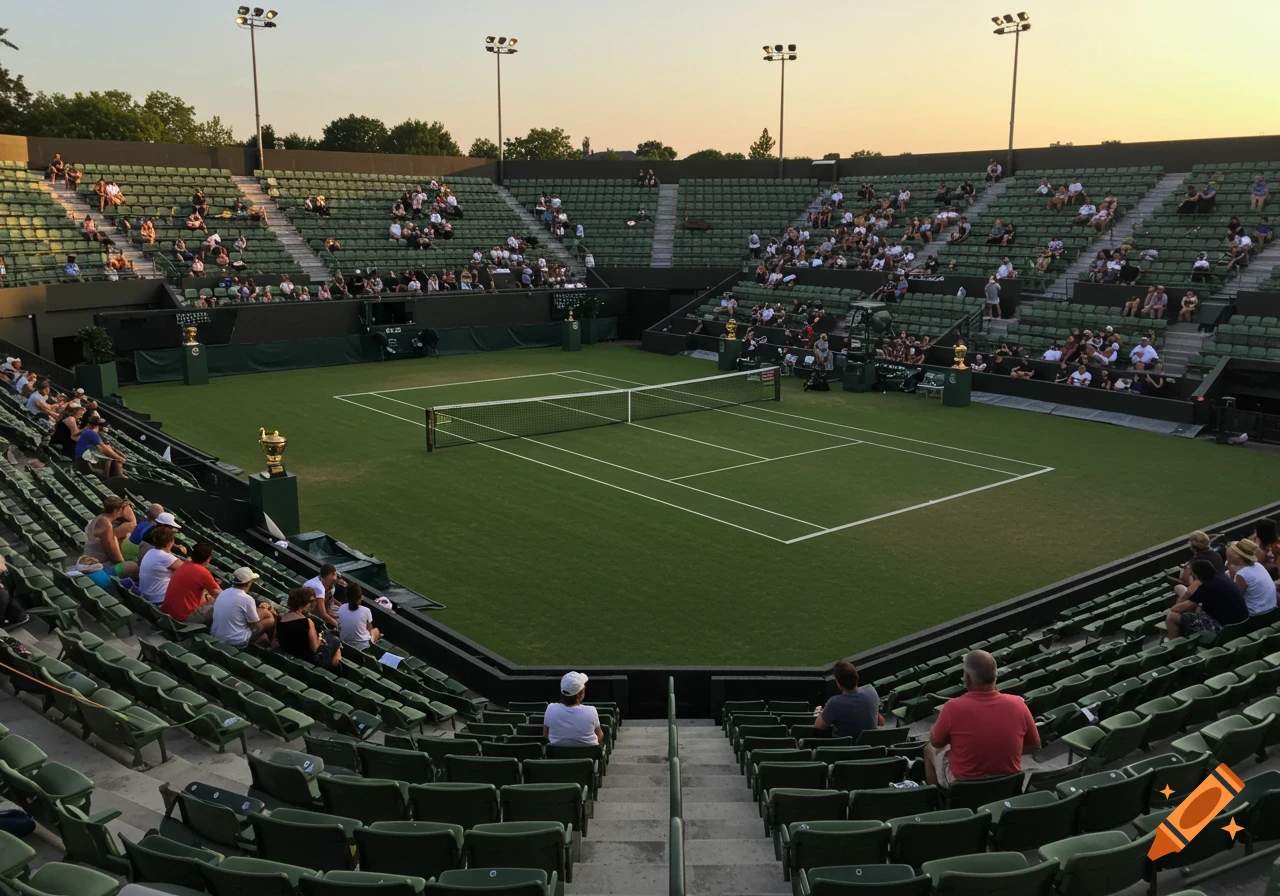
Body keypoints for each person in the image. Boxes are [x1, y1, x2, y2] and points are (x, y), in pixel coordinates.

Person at [924, 651, 1039, 789]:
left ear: (966, 678)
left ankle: (938, 800)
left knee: (928, 749)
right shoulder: (1018, 704)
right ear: (995, 677)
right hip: (1007, 781)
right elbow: (1034, 745)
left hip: (965, 785)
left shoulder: (952, 707)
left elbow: (936, 742)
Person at [1166, 559, 1249, 638]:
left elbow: (1183, 607)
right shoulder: (1222, 576)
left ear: (1197, 575)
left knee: (1172, 616)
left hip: (1225, 628)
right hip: (1243, 622)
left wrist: (1172, 609)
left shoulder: (1206, 586)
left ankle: (1174, 648)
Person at [813, 660, 883, 739]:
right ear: (856, 677)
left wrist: (821, 713)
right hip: (871, 745)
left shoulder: (834, 703)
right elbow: (879, 720)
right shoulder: (871, 690)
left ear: (838, 683)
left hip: (845, 747)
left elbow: (818, 726)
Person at [277, 587, 343, 669]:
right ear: (305, 603)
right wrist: (319, 639)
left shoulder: (281, 619)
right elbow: (315, 648)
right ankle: (336, 669)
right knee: (335, 640)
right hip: (308, 659)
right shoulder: (307, 622)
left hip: (292, 653)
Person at [210, 567, 276, 647]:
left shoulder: (224, 592)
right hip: (235, 641)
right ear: (249, 582)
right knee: (270, 620)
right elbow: (253, 624)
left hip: (215, 634)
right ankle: (273, 645)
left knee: (265, 612)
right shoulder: (247, 599)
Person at [82, 496, 139, 585]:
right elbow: (115, 557)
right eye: (121, 509)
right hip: (99, 569)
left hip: (92, 563)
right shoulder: (105, 525)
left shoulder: (100, 518)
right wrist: (124, 563)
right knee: (133, 566)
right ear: (116, 510)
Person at [161, 541, 220, 625]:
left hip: (167, 612)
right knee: (222, 605)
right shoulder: (203, 572)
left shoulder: (185, 564)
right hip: (183, 618)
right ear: (208, 558)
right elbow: (221, 596)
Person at [543, 671, 604, 746]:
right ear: (581, 694)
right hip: (588, 755)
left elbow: (545, 735)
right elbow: (599, 736)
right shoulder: (591, 711)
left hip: (558, 755)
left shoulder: (550, 709)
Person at [1227, 539, 1277, 616]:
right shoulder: (1258, 565)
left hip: (1257, 616)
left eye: (1233, 552)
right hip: (1273, 609)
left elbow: (1235, 598)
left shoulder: (1241, 574)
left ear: (1238, 556)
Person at [138, 526, 183, 606]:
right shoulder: (166, 558)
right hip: (159, 600)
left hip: (147, 597)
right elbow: (188, 569)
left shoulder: (151, 551)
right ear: (171, 542)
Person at [75, 414, 127, 478]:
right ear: (99, 427)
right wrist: (119, 458)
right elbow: (104, 448)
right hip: (84, 462)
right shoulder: (92, 434)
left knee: (111, 456)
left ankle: (119, 476)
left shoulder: (88, 432)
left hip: (82, 459)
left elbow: (107, 447)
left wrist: (119, 456)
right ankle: (108, 477)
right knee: (109, 457)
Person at [337, 581, 380, 650]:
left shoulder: (342, 608)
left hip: (345, 643)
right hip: (363, 647)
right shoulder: (366, 611)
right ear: (360, 597)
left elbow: (339, 627)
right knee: (376, 631)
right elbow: (370, 630)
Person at [302, 563, 342, 629]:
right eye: (333, 574)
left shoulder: (317, 580)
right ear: (329, 575)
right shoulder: (319, 588)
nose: (335, 577)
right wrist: (339, 626)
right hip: (307, 614)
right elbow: (323, 614)